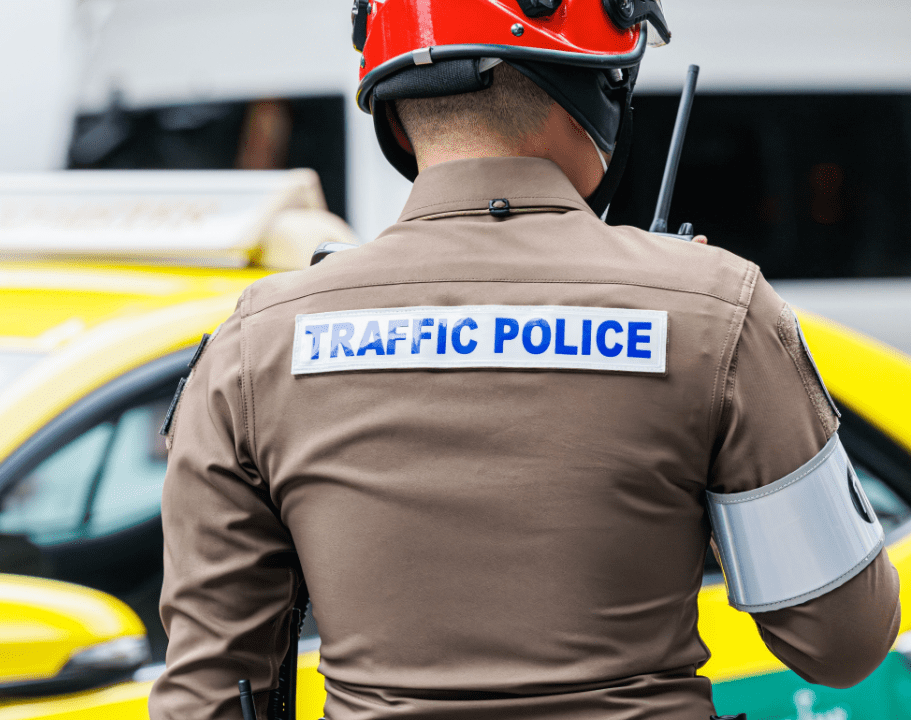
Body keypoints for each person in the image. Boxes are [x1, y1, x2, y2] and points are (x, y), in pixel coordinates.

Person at [148, 2, 902, 719]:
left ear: (395, 114)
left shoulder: (257, 343)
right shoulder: (716, 312)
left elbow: (212, 691)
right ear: (600, 88)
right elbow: (843, 643)